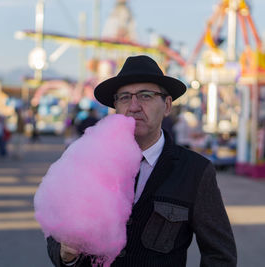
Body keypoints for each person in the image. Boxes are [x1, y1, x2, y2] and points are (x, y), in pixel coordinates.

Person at [46, 55, 237, 266]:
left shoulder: (194, 171)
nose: (134, 106)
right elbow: (57, 233)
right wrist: (66, 254)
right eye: (125, 97)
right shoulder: (87, 161)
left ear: (167, 105)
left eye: (145, 96)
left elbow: (220, 255)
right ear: (116, 108)